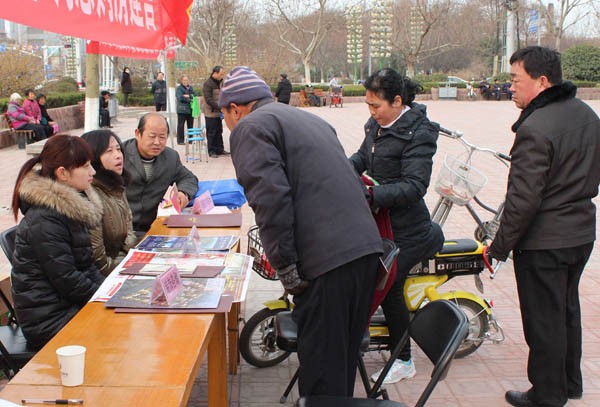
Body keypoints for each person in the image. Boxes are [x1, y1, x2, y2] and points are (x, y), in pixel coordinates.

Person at [219, 66, 383, 397]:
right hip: (365, 250)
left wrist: (285, 265)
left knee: (322, 373)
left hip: (329, 261)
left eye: (224, 116)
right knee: (341, 362)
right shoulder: (310, 120)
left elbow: (270, 200)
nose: (227, 124)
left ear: (235, 109)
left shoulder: (250, 127)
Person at [487, 46, 600, 407]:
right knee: (566, 310)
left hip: (545, 241)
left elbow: (523, 200)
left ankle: (548, 394)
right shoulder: (586, 113)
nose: (510, 87)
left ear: (542, 81)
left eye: (516, 79)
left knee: (544, 319)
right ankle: (569, 383)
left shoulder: (535, 128)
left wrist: (498, 247)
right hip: (580, 233)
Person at [349, 68, 444, 384]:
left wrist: (371, 195)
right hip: (381, 221)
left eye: (376, 105)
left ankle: (403, 359)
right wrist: (339, 172)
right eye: (368, 105)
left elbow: (415, 186)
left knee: (387, 285)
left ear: (398, 101)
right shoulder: (376, 126)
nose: (372, 112)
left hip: (409, 230)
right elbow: (362, 158)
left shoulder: (420, 133)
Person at [10, 134, 106, 349]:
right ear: (62, 173)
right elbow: (68, 280)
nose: (92, 172)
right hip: (48, 320)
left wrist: (110, 291)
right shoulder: (45, 219)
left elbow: (86, 267)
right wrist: (105, 298)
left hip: (67, 305)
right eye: (86, 166)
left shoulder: (69, 208)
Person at [124, 112, 199, 234]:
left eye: (162, 137)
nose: (157, 142)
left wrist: (184, 193)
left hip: (156, 227)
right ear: (138, 133)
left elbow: (188, 178)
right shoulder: (121, 154)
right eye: (152, 136)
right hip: (124, 229)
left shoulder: (170, 157)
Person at [81, 130, 137, 276]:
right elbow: (98, 259)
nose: (118, 155)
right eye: (109, 151)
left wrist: (129, 259)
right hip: (107, 273)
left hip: (123, 261)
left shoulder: (116, 185)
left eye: (118, 149)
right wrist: (128, 268)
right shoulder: (90, 195)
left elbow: (129, 229)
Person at [203, 66, 228, 157]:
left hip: (219, 112)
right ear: (215, 73)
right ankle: (211, 151)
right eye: (221, 74)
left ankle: (220, 149)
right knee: (211, 133)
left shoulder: (221, 82)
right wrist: (219, 107)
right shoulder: (208, 84)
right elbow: (209, 99)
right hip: (211, 113)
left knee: (219, 131)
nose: (222, 76)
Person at [176, 75, 195, 145]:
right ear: (182, 81)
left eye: (187, 80)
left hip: (190, 110)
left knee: (190, 125)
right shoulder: (179, 89)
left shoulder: (190, 88)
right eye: (184, 80)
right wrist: (189, 98)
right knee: (181, 126)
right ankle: (180, 141)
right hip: (182, 110)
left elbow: (194, 95)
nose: (186, 81)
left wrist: (188, 96)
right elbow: (180, 98)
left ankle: (191, 139)